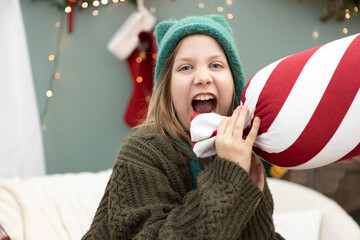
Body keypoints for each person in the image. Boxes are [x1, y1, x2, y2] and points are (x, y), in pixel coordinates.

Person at [82, 15, 284, 239]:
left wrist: (252, 202)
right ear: (167, 90)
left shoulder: (239, 150)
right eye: (186, 67)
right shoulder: (142, 152)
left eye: (216, 65)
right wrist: (228, 176)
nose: (202, 77)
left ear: (234, 84)